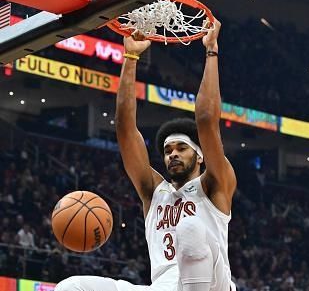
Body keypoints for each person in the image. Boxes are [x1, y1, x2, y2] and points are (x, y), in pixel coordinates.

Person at [55, 17, 237, 291]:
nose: (172, 154)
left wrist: (211, 51)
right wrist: (130, 57)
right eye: (167, 150)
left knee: (190, 229)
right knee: (71, 287)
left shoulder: (215, 185)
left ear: (200, 156)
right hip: (162, 286)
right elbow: (126, 130)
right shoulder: (154, 192)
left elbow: (206, 118)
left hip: (213, 284)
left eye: (181, 148)